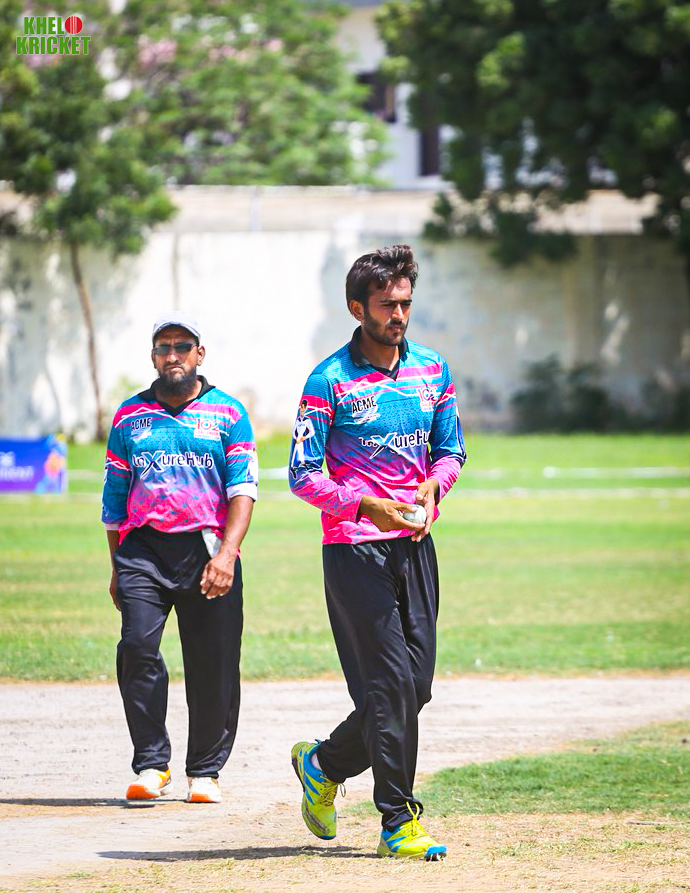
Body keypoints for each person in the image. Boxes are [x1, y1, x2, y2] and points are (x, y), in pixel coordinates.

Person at [288, 245, 467, 861]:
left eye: (405, 303)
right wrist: (366, 507)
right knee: (390, 686)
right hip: (354, 550)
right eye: (387, 304)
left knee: (414, 688)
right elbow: (302, 475)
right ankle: (398, 820)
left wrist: (434, 486)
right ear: (356, 308)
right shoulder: (328, 380)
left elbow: (451, 452)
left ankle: (323, 764)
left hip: (416, 547)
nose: (399, 315)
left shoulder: (433, 370)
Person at [102, 311, 258, 803]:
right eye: (164, 347)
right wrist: (117, 566)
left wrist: (228, 554)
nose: (174, 355)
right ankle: (152, 764)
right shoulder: (129, 416)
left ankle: (205, 772)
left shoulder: (228, 413)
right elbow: (114, 498)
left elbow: (243, 490)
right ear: (153, 357)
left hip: (208, 549)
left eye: (183, 346)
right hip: (142, 551)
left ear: (200, 354)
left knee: (213, 661)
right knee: (137, 647)